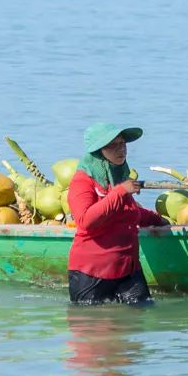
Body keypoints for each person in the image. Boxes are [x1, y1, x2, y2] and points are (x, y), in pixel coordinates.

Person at [67, 122, 169, 305]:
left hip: (128, 269)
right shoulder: (82, 181)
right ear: (98, 151)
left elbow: (128, 212)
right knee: (94, 327)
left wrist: (158, 220)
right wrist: (120, 192)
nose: (121, 149)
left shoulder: (119, 177)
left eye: (123, 144)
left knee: (142, 314)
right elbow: (85, 221)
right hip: (92, 273)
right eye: (113, 145)